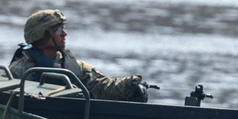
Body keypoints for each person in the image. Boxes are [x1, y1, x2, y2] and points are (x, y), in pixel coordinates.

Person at [9, 9, 150, 102]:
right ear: (41, 35)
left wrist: (130, 84)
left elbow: (103, 87)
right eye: (58, 30)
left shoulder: (75, 68)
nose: (65, 34)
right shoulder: (18, 71)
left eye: (63, 29)